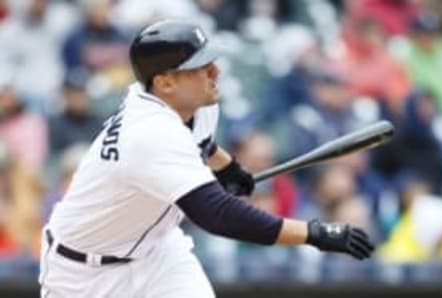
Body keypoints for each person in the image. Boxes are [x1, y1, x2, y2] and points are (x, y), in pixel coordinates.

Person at [39, 19, 374, 298]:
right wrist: (315, 233)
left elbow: (204, 142)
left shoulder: (193, 104)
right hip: (83, 275)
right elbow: (218, 215)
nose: (214, 71)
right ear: (165, 81)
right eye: (199, 66)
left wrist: (226, 166)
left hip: (156, 254)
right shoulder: (149, 133)